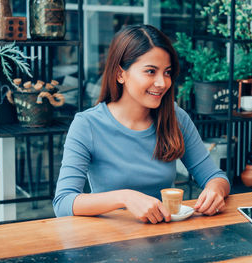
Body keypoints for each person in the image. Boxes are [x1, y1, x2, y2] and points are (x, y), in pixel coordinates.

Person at [53, 24, 230, 224]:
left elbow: (215, 176)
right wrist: (125, 197)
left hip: (165, 239)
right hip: (109, 242)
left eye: (167, 72)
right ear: (121, 74)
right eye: (150, 71)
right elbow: (63, 203)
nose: (162, 83)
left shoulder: (176, 117)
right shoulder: (87, 125)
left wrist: (215, 190)